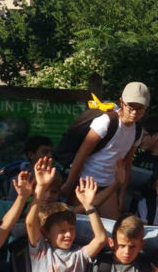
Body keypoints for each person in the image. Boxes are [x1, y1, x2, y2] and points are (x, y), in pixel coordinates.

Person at [61, 82, 150, 219]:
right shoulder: (106, 122)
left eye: (140, 108)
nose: (134, 112)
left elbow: (127, 164)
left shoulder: (137, 131)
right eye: (131, 106)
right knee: (76, 222)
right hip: (85, 182)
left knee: (112, 227)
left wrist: (121, 195)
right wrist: (69, 184)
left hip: (109, 187)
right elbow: (82, 153)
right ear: (122, 102)